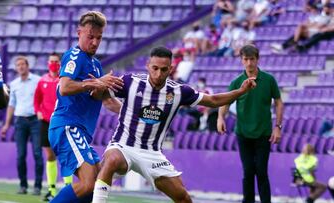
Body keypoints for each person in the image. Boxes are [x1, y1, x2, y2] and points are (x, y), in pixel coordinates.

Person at [90, 46, 257, 203]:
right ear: (148, 65)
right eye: (154, 68)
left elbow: (213, 101)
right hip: (123, 145)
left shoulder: (178, 92)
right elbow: (100, 96)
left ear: (171, 69)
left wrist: (241, 91)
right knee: (111, 160)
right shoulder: (129, 82)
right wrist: (97, 86)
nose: (158, 74)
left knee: (183, 198)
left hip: (152, 153)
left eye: (164, 70)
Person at [48, 11, 123, 203]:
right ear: (78, 32)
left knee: (98, 182)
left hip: (79, 131)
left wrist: (133, 113)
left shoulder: (96, 66)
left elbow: (107, 101)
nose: (95, 42)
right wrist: (95, 83)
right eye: (91, 37)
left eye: (99, 38)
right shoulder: (74, 56)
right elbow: (65, 87)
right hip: (67, 125)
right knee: (89, 183)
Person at [217, 44, 284, 203]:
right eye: (245, 59)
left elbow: (279, 102)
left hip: (264, 134)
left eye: (252, 59)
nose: (249, 63)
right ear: (241, 60)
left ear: (257, 59)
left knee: (261, 172)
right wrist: (220, 117)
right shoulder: (237, 82)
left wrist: (278, 127)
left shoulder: (269, 79)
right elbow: (225, 102)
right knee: (247, 172)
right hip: (243, 134)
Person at [0, 56, 43, 195]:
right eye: (18, 65)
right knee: (20, 155)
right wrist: (6, 125)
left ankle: (37, 186)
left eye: (23, 64)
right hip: (20, 121)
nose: (21, 67)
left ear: (27, 65)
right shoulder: (14, 84)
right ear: (16, 68)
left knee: (37, 153)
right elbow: (11, 105)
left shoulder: (37, 80)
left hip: (36, 120)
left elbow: (43, 98)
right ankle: (23, 185)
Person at [33, 53, 73, 201]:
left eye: (56, 61)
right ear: (47, 62)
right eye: (51, 61)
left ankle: (68, 187)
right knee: (49, 155)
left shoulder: (65, 80)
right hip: (45, 122)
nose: (53, 64)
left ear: (60, 64)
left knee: (64, 155)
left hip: (61, 121)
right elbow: (37, 99)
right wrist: (37, 111)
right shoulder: (42, 80)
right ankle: (51, 189)